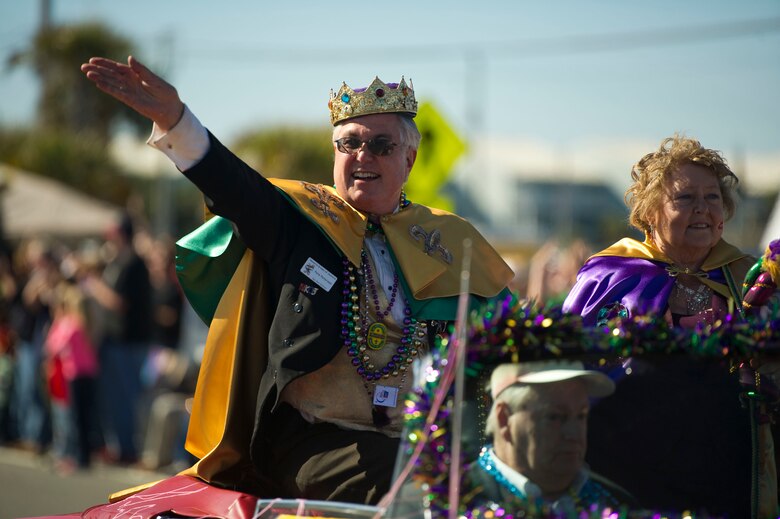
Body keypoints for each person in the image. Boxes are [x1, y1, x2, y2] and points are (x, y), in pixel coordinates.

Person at [80, 56, 513, 507]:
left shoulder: (446, 243)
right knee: (417, 484)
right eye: (349, 144)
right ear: (335, 154)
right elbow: (237, 187)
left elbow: (506, 336)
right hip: (313, 443)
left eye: (381, 145)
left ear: (410, 157)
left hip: (418, 439)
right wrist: (176, 121)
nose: (362, 156)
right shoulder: (303, 221)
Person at [562, 135, 776, 517]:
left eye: (712, 197)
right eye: (685, 198)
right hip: (628, 454)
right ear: (650, 213)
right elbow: (567, 367)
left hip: (728, 456)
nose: (703, 209)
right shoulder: (609, 275)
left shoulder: (749, 276)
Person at [466, 361, 635, 515]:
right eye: (555, 417)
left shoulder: (618, 504)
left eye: (581, 416)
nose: (574, 434)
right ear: (504, 419)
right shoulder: (455, 498)